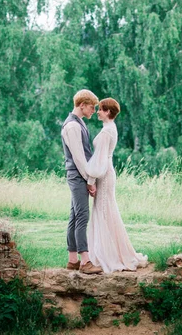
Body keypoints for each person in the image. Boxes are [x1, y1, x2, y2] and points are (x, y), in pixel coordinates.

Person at [86, 98, 148, 273]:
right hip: (107, 172)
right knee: (105, 212)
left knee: (104, 212)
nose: (97, 111)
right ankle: (107, 251)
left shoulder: (107, 132)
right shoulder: (109, 128)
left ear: (107, 112)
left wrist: (90, 180)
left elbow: (99, 159)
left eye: (100, 109)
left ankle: (107, 255)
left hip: (104, 174)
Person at [61, 89, 103, 274]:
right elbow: (79, 158)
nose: (94, 110)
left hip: (78, 175)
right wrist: (89, 180)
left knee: (75, 216)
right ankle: (85, 261)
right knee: (82, 217)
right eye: (92, 107)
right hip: (78, 175)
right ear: (82, 105)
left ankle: (72, 260)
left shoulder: (78, 123)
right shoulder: (73, 126)